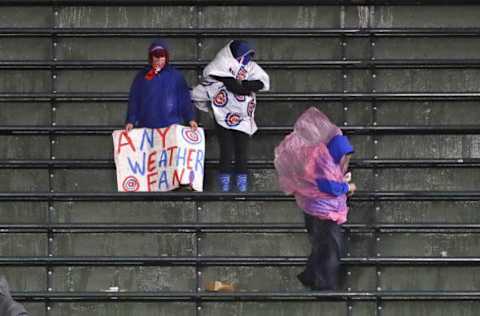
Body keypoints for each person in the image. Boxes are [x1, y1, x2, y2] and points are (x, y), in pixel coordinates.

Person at [274, 107, 356, 290]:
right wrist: (346, 187)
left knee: (322, 247)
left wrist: (342, 182)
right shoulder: (322, 162)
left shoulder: (324, 159)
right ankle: (326, 285)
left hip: (316, 211)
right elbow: (326, 186)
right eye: (344, 156)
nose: (345, 160)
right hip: (323, 214)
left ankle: (310, 276)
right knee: (331, 250)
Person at [192, 40, 270, 192]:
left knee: (242, 150)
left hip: (242, 116)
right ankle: (225, 184)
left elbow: (261, 82)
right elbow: (231, 85)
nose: (245, 60)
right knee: (226, 150)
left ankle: (241, 182)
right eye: (243, 56)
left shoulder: (251, 67)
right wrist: (244, 87)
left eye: (248, 57)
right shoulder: (222, 63)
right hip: (223, 114)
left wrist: (245, 85)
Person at [125, 39, 197, 131]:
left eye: (162, 57)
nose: (159, 60)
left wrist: (190, 119)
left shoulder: (176, 76)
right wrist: (131, 121)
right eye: (156, 57)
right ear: (151, 58)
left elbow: (184, 99)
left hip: (171, 126)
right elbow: (135, 99)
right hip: (147, 126)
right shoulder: (142, 77)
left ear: (166, 57)